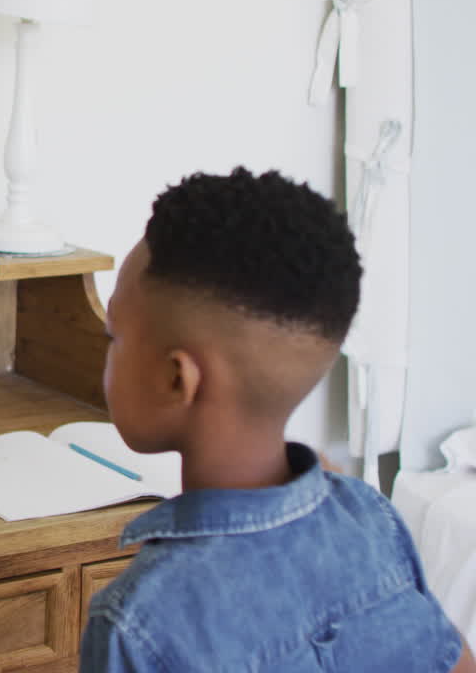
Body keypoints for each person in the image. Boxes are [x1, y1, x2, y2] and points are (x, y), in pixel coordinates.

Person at [80, 167, 475, 672]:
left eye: (115, 334)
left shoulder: (139, 620)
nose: (106, 351)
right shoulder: (369, 517)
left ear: (178, 379)